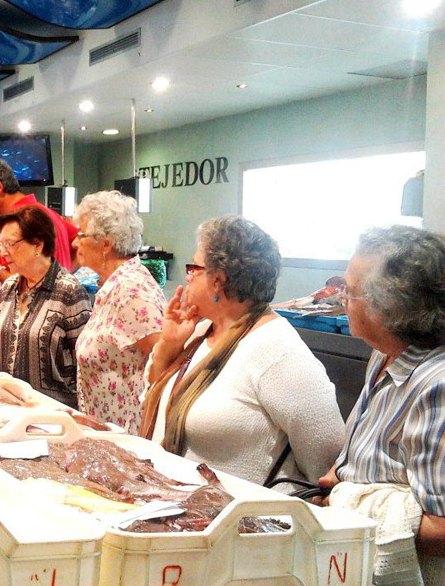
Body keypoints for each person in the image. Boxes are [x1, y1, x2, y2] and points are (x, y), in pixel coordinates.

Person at [140, 215, 344, 487]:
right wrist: (170, 344)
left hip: (238, 521)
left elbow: (325, 461)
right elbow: (151, 395)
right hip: (178, 508)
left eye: (194, 268)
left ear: (218, 281)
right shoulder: (202, 332)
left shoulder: (278, 351)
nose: (187, 278)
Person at [314, 226, 445, 576]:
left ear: (388, 308)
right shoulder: (384, 353)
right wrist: (340, 473)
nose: (340, 298)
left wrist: (346, 501)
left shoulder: (437, 386)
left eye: (349, 291)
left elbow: (442, 529)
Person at [0, 206, 91, 407]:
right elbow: (20, 335)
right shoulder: (10, 286)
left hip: (51, 410)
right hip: (8, 404)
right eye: (1, 244)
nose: (3, 252)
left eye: (10, 244)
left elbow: (84, 362)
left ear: (37, 245)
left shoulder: (68, 291)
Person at [73, 191, 165, 433]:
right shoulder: (112, 285)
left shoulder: (130, 291)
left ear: (105, 244)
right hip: (105, 433)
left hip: (129, 439)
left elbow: (165, 365)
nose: (74, 243)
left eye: (80, 235)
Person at [0, 158, 77, 273]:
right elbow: (79, 244)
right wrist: (64, 276)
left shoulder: (21, 223)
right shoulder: (49, 213)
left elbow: (21, 285)